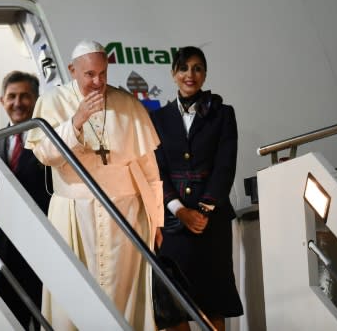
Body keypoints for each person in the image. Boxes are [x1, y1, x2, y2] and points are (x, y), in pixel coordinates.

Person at [25, 40, 164, 331]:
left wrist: (158, 221)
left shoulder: (127, 103)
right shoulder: (53, 102)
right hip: (74, 213)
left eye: (102, 73)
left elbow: (150, 170)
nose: (98, 81)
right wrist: (76, 121)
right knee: (72, 296)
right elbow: (45, 155)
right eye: (89, 75)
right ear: (73, 70)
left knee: (123, 299)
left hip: (125, 214)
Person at [149, 46, 243, 331]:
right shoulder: (158, 118)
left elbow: (225, 166)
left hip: (210, 223)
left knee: (212, 301)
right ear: (173, 74)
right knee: (172, 307)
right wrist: (179, 210)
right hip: (172, 223)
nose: (190, 74)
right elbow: (157, 171)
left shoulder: (223, 114)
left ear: (205, 74)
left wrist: (202, 209)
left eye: (197, 68)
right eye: (184, 68)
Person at [0, 70, 51, 330]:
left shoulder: (51, 139)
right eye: (11, 96)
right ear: (2, 101)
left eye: (25, 96)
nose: (18, 103)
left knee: (45, 317)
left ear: (36, 99)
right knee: (11, 320)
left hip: (41, 247)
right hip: (4, 251)